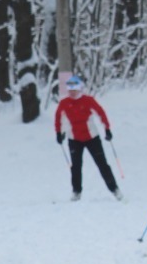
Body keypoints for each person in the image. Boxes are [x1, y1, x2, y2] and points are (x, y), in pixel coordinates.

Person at [51, 74, 122, 202]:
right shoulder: (64, 103)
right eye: (70, 90)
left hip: (92, 138)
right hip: (74, 139)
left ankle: (115, 189)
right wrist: (59, 133)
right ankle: (76, 192)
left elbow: (100, 113)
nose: (72, 92)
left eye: (75, 89)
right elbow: (59, 118)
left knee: (102, 164)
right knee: (76, 167)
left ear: (80, 89)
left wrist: (107, 128)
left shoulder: (88, 100)